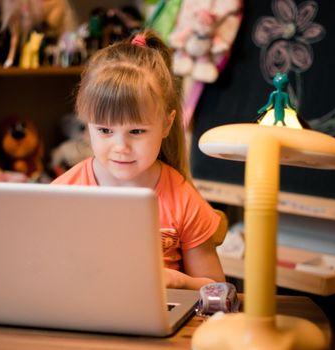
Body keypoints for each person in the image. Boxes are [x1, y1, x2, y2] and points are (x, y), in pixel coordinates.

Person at [52, 29, 225, 290]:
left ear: (166, 125)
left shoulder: (181, 197)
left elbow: (217, 288)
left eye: (136, 131)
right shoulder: (61, 193)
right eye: (105, 130)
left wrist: (178, 280)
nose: (121, 147)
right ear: (87, 124)